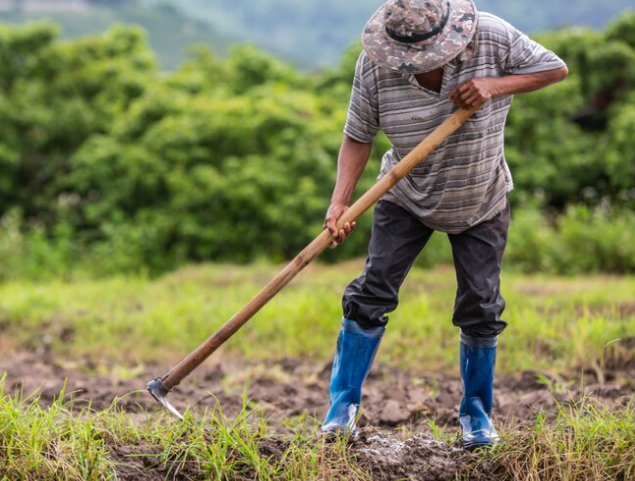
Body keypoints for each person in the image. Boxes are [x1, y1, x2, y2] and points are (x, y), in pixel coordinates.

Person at [321, 0, 568, 449]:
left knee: (480, 305)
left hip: (481, 196)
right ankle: (341, 411)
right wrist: (340, 204)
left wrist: (494, 85)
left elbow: (555, 69)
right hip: (405, 193)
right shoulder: (376, 65)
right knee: (371, 293)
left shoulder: (491, 35)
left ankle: (476, 417)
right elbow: (358, 133)